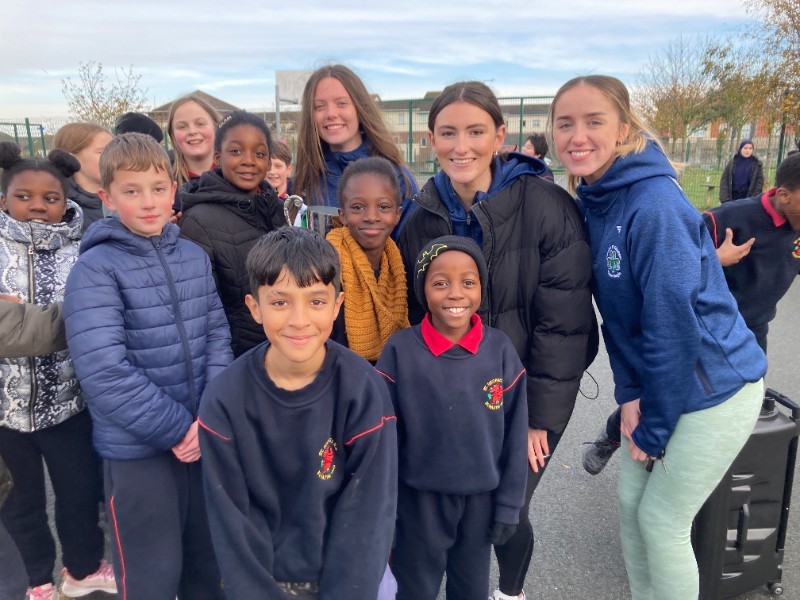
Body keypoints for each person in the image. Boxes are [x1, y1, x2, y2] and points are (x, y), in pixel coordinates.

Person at [551, 74, 767, 600]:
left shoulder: (654, 206)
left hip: (714, 389)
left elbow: (674, 329)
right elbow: (620, 323)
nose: (577, 136)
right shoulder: (593, 200)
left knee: (663, 521)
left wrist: (654, 425)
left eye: (594, 121)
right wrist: (629, 396)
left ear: (623, 127)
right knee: (631, 508)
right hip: (657, 386)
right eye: (565, 124)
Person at [395, 81, 596, 600]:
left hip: (522, 394)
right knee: (455, 510)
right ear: (431, 141)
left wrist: (539, 418)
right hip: (455, 397)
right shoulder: (419, 217)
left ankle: (511, 590)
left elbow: (564, 326)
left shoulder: (546, 205)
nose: (461, 146)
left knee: (510, 507)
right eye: (447, 133)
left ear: (499, 135)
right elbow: (417, 322)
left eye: (475, 131)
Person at [63, 133, 233, 600]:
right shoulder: (95, 269)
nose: (148, 202)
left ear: (173, 186)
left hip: (202, 440)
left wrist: (209, 419)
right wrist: (178, 429)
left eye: (158, 187)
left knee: (207, 564)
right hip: (139, 452)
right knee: (150, 575)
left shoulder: (193, 257)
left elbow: (217, 335)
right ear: (107, 197)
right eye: (132, 191)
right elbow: (103, 370)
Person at [198, 227, 397, 599]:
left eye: (316, 301)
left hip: (349, 576)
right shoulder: (224, 400)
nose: (299, 320)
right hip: (264, 581)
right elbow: (232, 522)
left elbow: (369, 512)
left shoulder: (364, 391)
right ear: (254, 307)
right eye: (280, 302)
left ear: (338, 306)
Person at [584, 151, 800, 476]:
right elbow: (683, 255)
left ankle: (706, 466)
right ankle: (614, 435)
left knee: (734, 404)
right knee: (658, 388)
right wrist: (718, 257)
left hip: (752, 329)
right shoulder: (733, 216)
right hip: (702, 325)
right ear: (784, 195)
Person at [375, 236, 527, 599]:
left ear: (481, 289)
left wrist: (509, 506)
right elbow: (383, 443)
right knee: (414, 590)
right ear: (423, 291)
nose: (455, 293)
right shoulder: (399, 353)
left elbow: (515, 437)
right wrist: (386, 511)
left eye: (468, 282)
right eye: (440, 282)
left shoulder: (501, 351)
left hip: (480, 506)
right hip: (418, 507)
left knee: (470, 590)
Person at [0, 142, 115, 600]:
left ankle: (82, 567)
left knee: (78, 495)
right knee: (19, 502)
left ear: (66, 200)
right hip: (6, 410)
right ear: (3, 199)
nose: (37, 206)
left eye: (50, 198)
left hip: (69, 401)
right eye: (24, 196)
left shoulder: (82, 248)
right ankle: (36, 579)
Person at [179, 111, 285, 358]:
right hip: (238, 359)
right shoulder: (198, 221)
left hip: (286, 350)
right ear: (218, 157)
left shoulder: (280, 211)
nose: (249, 160)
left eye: (259, 153)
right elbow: (198, 313)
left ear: (269, 162)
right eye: (236, 151)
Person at [293, 64, 418, 223]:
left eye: (342, 103)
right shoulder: (304, 179)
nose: (331, 114)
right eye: (319, 106)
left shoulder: (397, 178)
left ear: (360, 108)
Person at [327, 156, 409, 362]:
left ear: (397, 214)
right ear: (342, 215)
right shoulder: (326, 267)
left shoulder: (397, 265)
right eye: (358, 207)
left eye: (383, 207)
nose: (371, 216)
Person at [53, 122, 113, 230]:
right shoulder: (61, 210)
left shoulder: (127, 197)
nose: (114, 158)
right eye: (103, 152)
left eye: (115, 151)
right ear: (72, 159)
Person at [167, 94, 220, 187]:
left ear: (215, 127)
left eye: (200, 123)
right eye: (182, 126)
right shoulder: (163, 181)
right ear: (173, 135)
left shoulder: (238, 177)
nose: (192, 131)